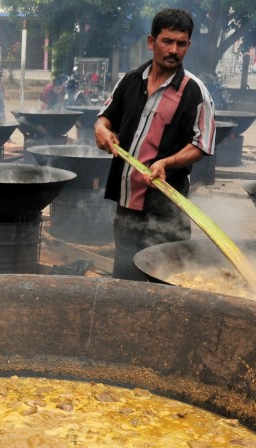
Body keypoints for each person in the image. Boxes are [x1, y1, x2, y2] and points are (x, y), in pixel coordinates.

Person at [94, 8, 215, 281]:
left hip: (165, 211)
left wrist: (166, 162)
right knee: (124, 279)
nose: (174, 50)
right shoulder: (130, 80)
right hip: (126, 206)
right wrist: (101, 130)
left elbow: (202, 144)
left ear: (188, 46)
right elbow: (105, 118)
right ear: (152, 42)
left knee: (163, 284)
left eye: (181, 44)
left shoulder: (194, 91)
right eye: (167, 41)